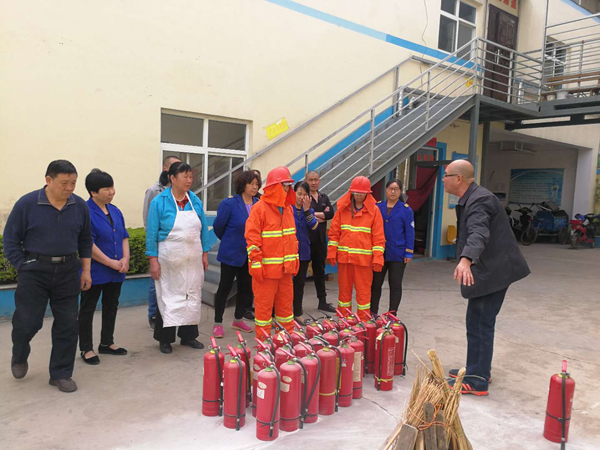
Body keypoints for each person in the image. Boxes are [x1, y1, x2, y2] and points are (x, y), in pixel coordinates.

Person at [4, 160, 92, 393]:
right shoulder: (27, 203)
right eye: (64, 183)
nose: (69, 188)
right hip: (35, 272)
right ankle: (19, 353)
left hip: (68, 271)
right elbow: (10, 239)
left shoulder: (79, 205)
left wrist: (86, 270)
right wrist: (23, 265)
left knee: (68, 324)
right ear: (48, 180)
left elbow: (85, 240)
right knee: (28, 322)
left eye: (73, 183)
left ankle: (61, 374)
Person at [443, 160, 530, 396]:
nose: (443, 179)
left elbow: (479, 232)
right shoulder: (472, 198)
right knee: (478, 321)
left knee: (480, 322)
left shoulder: (479, 200)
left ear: (458, 179)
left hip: (494, 271)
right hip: (491, 268)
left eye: (446, 175)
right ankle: (478, 369)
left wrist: (466, 259)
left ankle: (477, 379)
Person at [145, 162, 210, 354]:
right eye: (185, 176)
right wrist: (153, 261)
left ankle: (188, 336)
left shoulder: (195, 201)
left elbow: (203, 230)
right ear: (172, 178)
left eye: (191, 176)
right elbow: (151, 234)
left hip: (192, 259)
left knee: (191, 296)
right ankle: (165, 339)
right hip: (169, 259)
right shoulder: (159, 202)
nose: (189, 180)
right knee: (168, 297)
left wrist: (205, 254)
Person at [78, 169, 129, 365]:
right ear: (93, 192)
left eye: (112, 187)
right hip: (94, 270)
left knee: (111, 306)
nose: (112, 191)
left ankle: (107, 342)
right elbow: (87, 244)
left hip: (116, 269)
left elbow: (124, 236)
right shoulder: (84, 212)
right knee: (88, 308)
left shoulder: (115, 210)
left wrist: (125, 258)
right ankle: (86, 348)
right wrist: (109, 262)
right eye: (106, 188)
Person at [245, 166, 299, 338]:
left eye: (288, 186)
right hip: (266, 273)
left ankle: (285, 342)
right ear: (275, 187)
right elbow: (252, 239)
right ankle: (264, 344)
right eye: (285, 186)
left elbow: (291, 238)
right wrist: (255, 263)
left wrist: (294, 260)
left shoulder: (288, 209)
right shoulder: (259, 208)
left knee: (286, 311)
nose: (287, 189)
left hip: (285, 271)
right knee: (264, 311)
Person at [327, 176, 385, 321]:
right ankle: (344, 320)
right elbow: (334, 233)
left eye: (362, 193)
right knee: (344, 293)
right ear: (351, 192)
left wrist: (378, 257)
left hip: (363, 261)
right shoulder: (342, 210)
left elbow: (378, 237)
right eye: (356, 193)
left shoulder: (374, 211)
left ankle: (363, 322)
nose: (359, 195)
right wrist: (332, 252)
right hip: (345, 260)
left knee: (363, 293)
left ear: (367, 193)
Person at [211, 170, 261, 337]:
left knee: (245, 288)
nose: (255, 187)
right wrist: (229, 240)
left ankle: (238, 319)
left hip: (251, 254)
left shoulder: (259, 204)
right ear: (243, 185)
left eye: (257, 184)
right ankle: (218, 322)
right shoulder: (230, 203)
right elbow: (218, 226)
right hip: (231, 253)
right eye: (251, 184)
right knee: (224, 288)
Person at [142, 155, 181, 330]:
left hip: (176, 247)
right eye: (174, 166)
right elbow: (147, 220)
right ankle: (153, 314)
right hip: (159, 244)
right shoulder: (154, 191)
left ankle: (173, 315)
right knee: (156, 282)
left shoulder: (182, 193)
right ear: (166, 169)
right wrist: (153, 246)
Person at [371, 179, 415, 316]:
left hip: (398, 253)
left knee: (395, 285)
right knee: (375, 284)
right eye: (390, 188)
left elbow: (410, 232)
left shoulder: (406, 210)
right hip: (379, 252)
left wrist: (408, 252)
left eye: (396, 189)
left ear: (400, 191)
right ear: (386, 190)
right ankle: (372, 312)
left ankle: (392, 314)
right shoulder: (378, 207)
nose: (393, 192)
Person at [305, 171, 336, 313]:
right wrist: (321, 214)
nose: (313, 182)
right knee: (300, 274)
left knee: (320, 272)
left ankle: (322, 301)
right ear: (306, 181)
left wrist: (313, 214)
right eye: (310, 180)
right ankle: (295, 305)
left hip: (320, 241)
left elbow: (331, 214)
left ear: (319, 181)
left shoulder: (324, 197)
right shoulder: (304, 197)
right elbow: (304, 214)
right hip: (306, 241)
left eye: (315, 180)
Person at [292, 181, 318, 322]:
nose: (301, 197)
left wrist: (307, 210)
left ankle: (297, 312)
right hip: (289, 253)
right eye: (299, 193)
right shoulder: (287, 209)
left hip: (303, 252)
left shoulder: (309, 211)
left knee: (299, 284)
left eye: (305, 195)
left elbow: (313, 226)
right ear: (294, 193)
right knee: (284, 286)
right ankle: (279, 313)